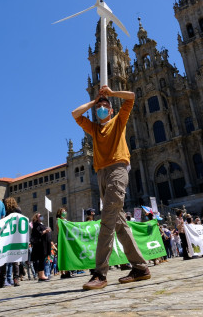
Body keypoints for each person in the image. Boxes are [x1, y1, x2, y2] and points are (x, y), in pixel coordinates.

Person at [72, 85, 150, 290]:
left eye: (105, 106)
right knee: (119, 223)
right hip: (101, 174)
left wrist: (112, 94)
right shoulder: (95, 128)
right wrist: (95, 100)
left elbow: (132, 97)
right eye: (99, 107)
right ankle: (141, 268)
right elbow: (75, 113)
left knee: (106, 220)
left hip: (118, 170)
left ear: (112, 110)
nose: (101, 109)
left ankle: (100, 274)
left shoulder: (118, 121)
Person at [0, 196, 22, 287]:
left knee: (4, 258)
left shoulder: (5, 211)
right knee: (15, 259)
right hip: (16, 235)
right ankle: (16, 279)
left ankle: (2, 280)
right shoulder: (18, 210)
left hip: (6, 236)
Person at [30, 212, 52, 282]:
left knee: (42, 260)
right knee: (41, 260)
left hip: (44, 245)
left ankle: (42, 275)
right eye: (40, 216)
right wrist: (45, 231)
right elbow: (38, 233)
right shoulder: (36, 225)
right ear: (36, 218)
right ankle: (41, 276)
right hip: (40, 246)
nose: (41, 217)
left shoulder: (41, 224)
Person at [56, 207, 73, 279]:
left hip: (66, 238)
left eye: (65, 211)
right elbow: (59, 229)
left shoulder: (65, 220)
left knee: (67, 254)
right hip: (61, 238)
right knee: (62, 255)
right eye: (63, 211)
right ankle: (63, 272)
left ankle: (67, 271)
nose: (64, 212)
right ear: (60, 213)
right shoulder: (58, 220)